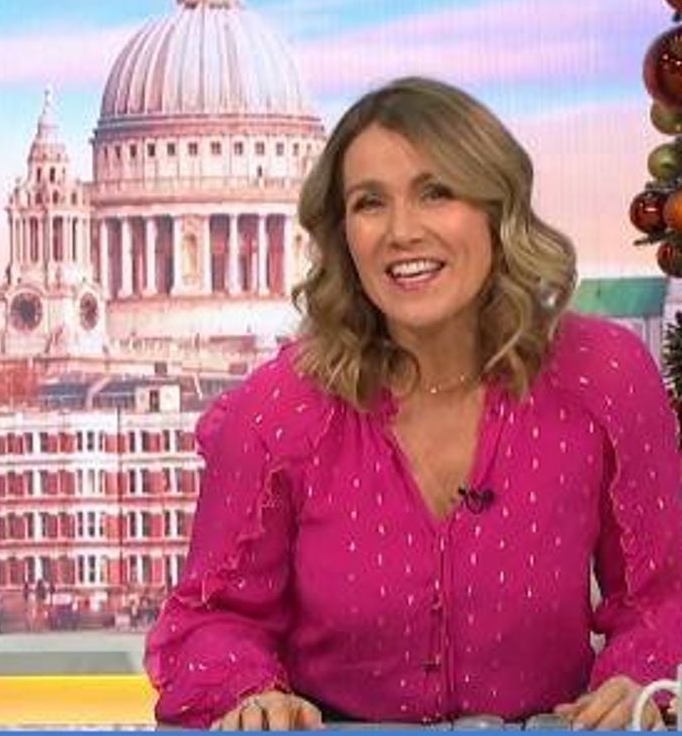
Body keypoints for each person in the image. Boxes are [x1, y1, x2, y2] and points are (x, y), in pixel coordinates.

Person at [145, 77, 682, 730]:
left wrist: (638, 683)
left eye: (437, 193)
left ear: (496, 209)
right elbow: (214, 618)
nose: (402, 231)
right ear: (343, 234)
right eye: (370, 203)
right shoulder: (277, 410)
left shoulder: (603, 376)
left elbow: (663, 595)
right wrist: (251, 694)